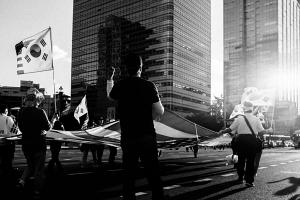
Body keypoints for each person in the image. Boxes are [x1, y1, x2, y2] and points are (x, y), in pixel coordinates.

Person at [107, 53, 166, 200]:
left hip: (128, 136)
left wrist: (110, 79)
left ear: (126, 69)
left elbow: (110, 96)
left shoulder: (120, 86)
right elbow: (160, 111)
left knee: (129, 176)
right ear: (141, 67)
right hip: (147, 135)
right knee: (153, 174)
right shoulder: (149, 86)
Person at [219, 101, 265, 187]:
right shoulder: (256, 119)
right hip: (252, 141)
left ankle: (240, 177)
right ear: (251, 109)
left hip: (241, 141)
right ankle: (249, 181)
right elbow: (261, 132)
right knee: (250, 161)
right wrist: (269, 130)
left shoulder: (239, 119)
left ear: (244, 109)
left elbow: (230, 129)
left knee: (241, 160)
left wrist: (222, 131)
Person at [17, 88, 52, 199]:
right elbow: (48, 127)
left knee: (30, 164)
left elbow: (21, 128)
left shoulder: (21, 112)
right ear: (37, 101)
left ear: (27, 100)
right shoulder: (41, 112)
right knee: (39, 169)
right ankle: (37, 190)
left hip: (26, 144)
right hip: (39, 144)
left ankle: (22, 181)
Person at [0, 104, 18, 192]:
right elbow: (16, 131)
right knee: (7, 163)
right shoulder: (8, 118)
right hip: (7, 144)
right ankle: (7, 183)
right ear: (5, 110)